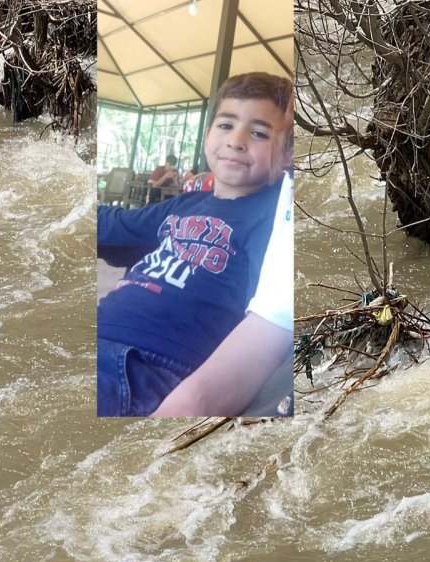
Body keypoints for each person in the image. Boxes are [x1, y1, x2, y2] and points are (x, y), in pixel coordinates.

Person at [97, 72, 294, 416]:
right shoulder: (183, 206)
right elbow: (113, 226)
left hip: (148, 365)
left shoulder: (273, 214)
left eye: (259, 133)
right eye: (225, 125)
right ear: (206, 134)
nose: (236, 141)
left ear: (288, 150)